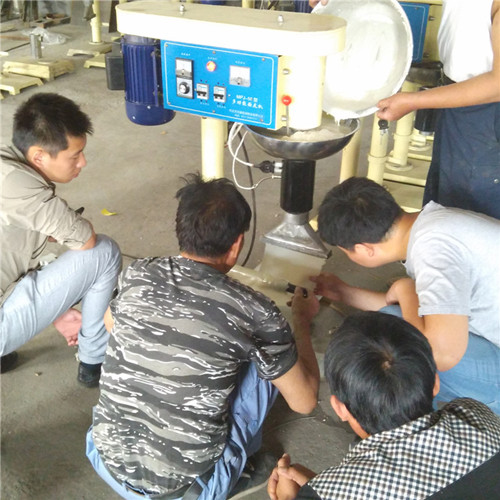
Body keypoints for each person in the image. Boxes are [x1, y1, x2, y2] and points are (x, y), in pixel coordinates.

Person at [86, 173, 320, 500]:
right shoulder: (257, 311)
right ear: (236, 244)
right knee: (269, 360)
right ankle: (236, 471)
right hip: (189, 490)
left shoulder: (139, 273)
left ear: (181, 229)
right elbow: (305, 401)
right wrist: (301, 321)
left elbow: (110, 324)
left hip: (104, 458)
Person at [311, 176, 500, 415]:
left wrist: (407, 288)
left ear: (363, 249)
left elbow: (442, 355)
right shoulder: (433, 225)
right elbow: (413, 310)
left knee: (393, 355)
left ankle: (411, 429)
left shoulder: (433, 251)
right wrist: (342, 292)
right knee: (398, 321)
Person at [267, 311, 500, 500]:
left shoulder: (332, 492)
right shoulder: (477, 418)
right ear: (435, 383)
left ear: (340, 408)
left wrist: (293, 497)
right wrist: (322, 489)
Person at [0, 92, 121, 386]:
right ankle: (94, 359)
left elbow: (18, 248)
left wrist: (59, 310)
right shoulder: (19, 187)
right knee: (104, 251)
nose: (83, 162)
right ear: (39, 156)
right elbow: (84, 239)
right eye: (74, 155)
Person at [377, 0, 500, 219]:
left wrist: (414, 101)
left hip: (488, 115)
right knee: (446, 190)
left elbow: (497, 85)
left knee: (471, 205)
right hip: (460, 102)